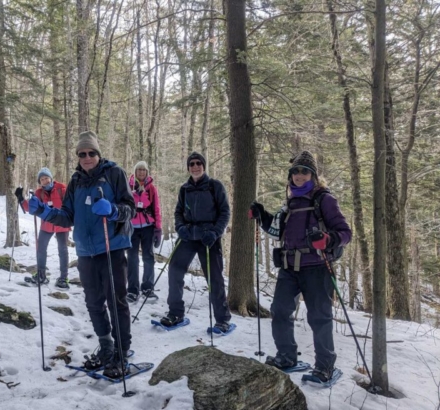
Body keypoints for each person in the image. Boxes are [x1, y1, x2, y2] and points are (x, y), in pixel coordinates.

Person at [27, 131, 135, 378]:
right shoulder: (76, 181)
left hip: (112, 247)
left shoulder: (114, 174)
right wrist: (43, 211)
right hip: (86, 251)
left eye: (91, 153)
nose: (86, 157)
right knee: (93, 302)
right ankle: (106, 346)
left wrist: (113, 211)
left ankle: (121, 352)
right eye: (82, 154)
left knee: (116, 301)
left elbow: (130, 209)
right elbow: (67, 216)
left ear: (98, 153)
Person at [249, 150, 352, 382]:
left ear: (313, 175)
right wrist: (261, 215)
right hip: (289, 268)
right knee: (280, 311)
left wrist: (329, 240)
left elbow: (345, 233)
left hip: (317, 266)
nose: (299, 175)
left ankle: (325, 366)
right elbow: (277, 229)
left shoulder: (324, 199)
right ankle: (287, 357)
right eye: (295, 171)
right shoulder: (290, 201)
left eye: (305, 171)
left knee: (319, 317)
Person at [161, 152, 232, 331]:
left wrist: (215, 232)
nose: (195, 166)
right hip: (188, 235)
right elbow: (178, 212)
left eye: (198, 163)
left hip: (209, 238)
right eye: (192, 164)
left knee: (214, 277)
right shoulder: (184, 188)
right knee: (174, 270)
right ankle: (175, 313)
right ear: (188, 167)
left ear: (203, 165)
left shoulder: (215, 186)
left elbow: (225, 212)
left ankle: (222, 319)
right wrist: (180, 227)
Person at [16, 168, 70, 289]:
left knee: (63, 250)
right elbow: (31, 208)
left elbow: (70, 205)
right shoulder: (39, 193)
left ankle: (63, 278)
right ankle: (41, 275)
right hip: (46, 225)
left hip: (61, 223)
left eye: (46, 178)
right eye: (42, 179)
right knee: (41, 248)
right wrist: (21, 198)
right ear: (39, 182)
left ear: (51, 178)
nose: (45, 181)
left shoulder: (62, 189)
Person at [127, 161, 162, 304]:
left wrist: (158, 229)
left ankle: (148, 287)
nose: (141, 172)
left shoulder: (151, 188)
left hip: (148, 226)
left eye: (144, 170)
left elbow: (157, 209)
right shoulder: (128, 186)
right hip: (132, 227)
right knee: (132, 258)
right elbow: (125, 205)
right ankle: (132, 289)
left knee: (148, 257)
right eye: (139, 170)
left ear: (147, 172)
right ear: (135, 171)